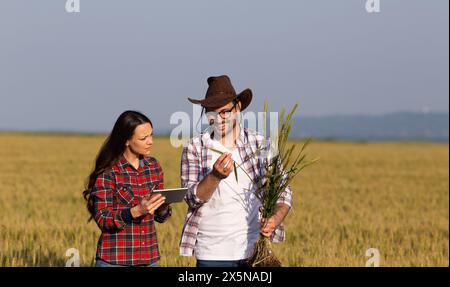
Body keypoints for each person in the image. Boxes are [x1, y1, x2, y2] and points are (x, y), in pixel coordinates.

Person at [180, 75, 293, 267]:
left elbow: (283, 192)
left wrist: (275, 218)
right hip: (212, 253)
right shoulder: (194, 147)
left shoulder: (261, 145)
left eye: (225, 112)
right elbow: (191, 199)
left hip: (254, 250)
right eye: (211, 113)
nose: (218, 119)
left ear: (238, 107)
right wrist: (215, 177)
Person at [83, 110, 172, 267]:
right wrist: (136, 211)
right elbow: (103, 219)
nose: (150, 141)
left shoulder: (154, 167)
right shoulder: (109, 172)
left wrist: (162, 208)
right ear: (126, 141)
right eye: (143, 138)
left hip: (149, 259)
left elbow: (159, 218)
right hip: (115, 259)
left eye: (151, 135)